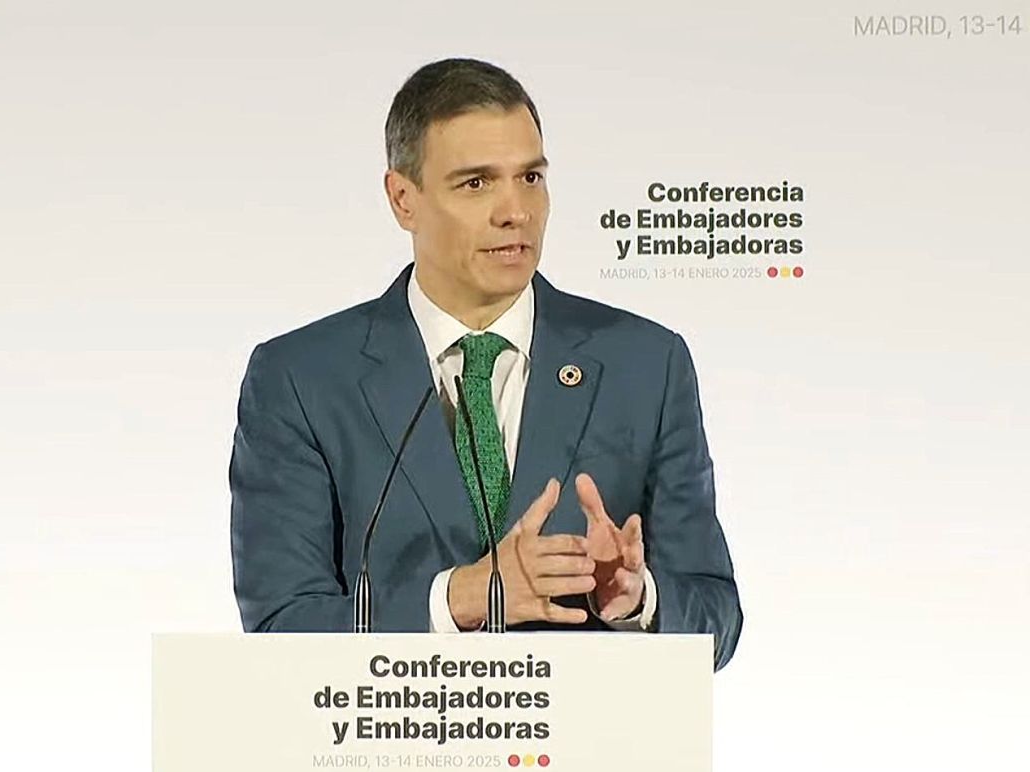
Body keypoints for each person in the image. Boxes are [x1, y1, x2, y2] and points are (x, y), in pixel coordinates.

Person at [229, 58, 742, 669]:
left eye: (530, 177)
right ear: (403, 200)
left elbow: (717, 619)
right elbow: (281, 629)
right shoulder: (300, 378)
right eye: (476, 184)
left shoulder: (646, 364)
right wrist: (458, 600)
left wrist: (637, 600)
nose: (515, 211)